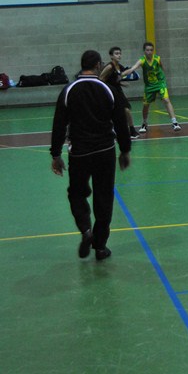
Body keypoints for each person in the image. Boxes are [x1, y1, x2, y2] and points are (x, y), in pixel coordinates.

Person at [50, 50, 132, 261]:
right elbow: (121, 123)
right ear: (97, 65)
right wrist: (125, 150)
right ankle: (100, 246)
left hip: (79, 153)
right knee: (104, 197)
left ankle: (86, 230)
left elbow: (59, 124)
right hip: (105, 152)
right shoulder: (108, 89)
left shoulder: (69, 90)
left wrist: (56, 154)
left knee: (77, 194)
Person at [122, 42, 181, 133]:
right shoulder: (142, 60)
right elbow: (132, 69)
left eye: (151, 50)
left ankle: (174, 122)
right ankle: (144, 123)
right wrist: (121, 75)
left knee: (166, 100)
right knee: (146, 105)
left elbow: (162, 67)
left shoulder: (157, 58)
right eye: (147, 50)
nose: (149, 52)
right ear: (144, 51)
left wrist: (163, 78)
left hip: (160, 83)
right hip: (149, 86)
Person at [99, 46, 139, 140]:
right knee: (112, 112)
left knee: (126, 110)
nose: (119, 55)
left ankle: (132, 130)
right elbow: (100, 79)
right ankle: (109, 131)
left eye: (120, 53)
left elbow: (119, 76)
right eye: (116, 54)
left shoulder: (119, 66)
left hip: (118, 91)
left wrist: (121, 83)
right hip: (109, 91)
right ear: (111, 56)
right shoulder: (110, 66)